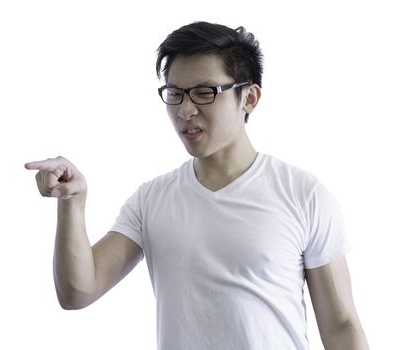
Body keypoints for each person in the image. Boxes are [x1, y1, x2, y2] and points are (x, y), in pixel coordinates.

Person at [25, 21, 369, 350]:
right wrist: (72, 202)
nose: (186, 110)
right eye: (175, 94)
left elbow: (340, 325)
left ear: (249, 98)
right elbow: (78, 292)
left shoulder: (303, 195)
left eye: (205, 93)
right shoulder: (151, 200)